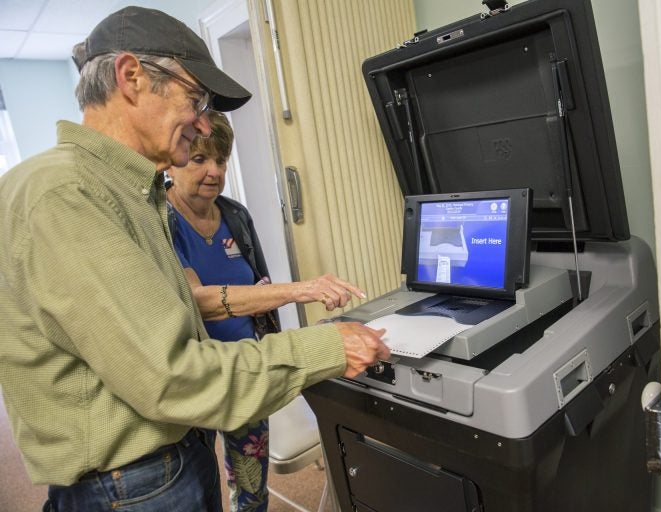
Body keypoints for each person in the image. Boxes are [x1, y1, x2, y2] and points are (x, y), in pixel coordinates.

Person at [0, 7, 389, 512]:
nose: (202, 122)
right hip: (132, 484)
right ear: (131, 77)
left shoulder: (134, 195)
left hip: (173, 455)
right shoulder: (67, 193)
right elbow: (173, 375)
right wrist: (324, 347)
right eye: (196, 98)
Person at [166, 110, 365, 511]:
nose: (213, 171)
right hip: (193, 375)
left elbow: (260, 288)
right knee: (197, 492)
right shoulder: (161, 220)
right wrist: (301, 289)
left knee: (251, 490)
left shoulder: (235, 215)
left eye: (221, 159)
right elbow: (198, 300)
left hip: (245, 372)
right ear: (174, 158)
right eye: (200, 159)